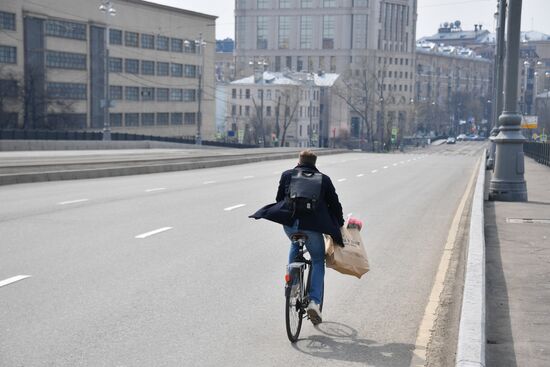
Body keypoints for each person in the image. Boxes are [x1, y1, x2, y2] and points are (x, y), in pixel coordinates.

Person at [249, 150, 344, 325]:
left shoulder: (287, 175)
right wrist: (339, 224)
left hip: (291, 224)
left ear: (299, 161)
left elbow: (279, 199)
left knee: (295, 241)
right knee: (317, 260)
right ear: (315, 163)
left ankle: (292, 282)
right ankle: (314, 302)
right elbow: (335, 205)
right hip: (313, 227)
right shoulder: (324, 179)